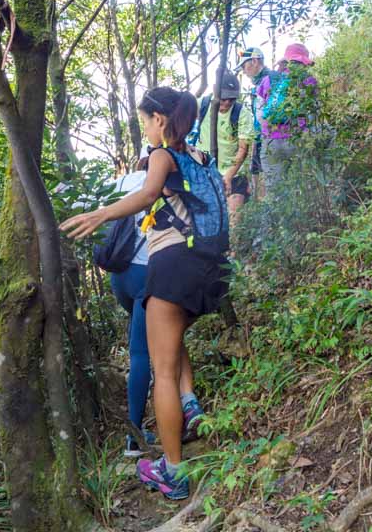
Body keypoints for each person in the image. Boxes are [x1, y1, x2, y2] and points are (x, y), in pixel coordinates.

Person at [62, 87, 230, 501]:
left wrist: (101, 213)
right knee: (171, 352)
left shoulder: (162, 155)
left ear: (159, 119)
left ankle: (172, 471)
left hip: (172, 267)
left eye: (144, 121)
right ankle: (190, 407)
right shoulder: (201, 158)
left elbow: (148, 193)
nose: (145, 129)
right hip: (209, 270)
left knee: (163, 372)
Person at [105, 164, 155, 458]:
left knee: (139, 345)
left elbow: (85, 199)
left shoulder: (125, 180)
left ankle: (135, 434)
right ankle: (134, 439)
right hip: (145, 275)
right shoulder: (164, 182)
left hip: (119, 277)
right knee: (141, 353)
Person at [256, 43, 319, 194]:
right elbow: (313, 113)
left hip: (270, 141)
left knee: (273, 191)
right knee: (303, 186)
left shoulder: (268, 79)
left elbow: (259, 113)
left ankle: (274, 217)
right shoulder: (309, 80)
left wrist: (268, 129)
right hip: (297, 140)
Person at [194, 69, 254, 226]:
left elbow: (243, 149)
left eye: (231, 99)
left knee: (235, 220)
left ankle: (236, 250)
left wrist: (228, 176)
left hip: (233, 173)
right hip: (205, 172)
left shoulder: (242, 113)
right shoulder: (203, 105)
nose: (227, 103)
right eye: (223, 98)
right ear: (215, 91)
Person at [234, 47, 272, 199]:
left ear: (255, 61)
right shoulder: (259, 83)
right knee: (257, 177)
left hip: (270, 138)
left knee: (266, 181)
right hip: (260, 138)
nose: (244, 70)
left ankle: (268, 217)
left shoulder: (269, 80)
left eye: (244, 66)